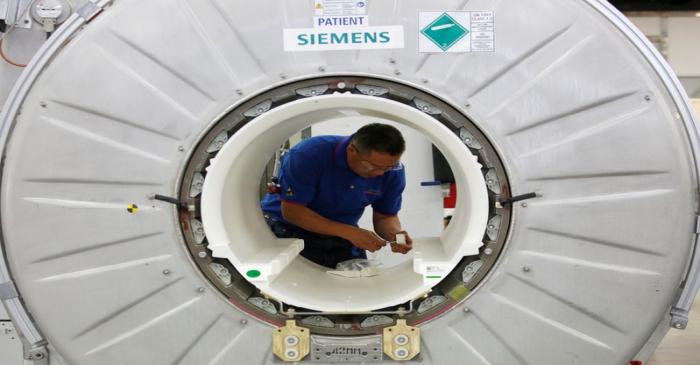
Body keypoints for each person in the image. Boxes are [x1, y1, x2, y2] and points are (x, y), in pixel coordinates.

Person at [260, 123, 413, 269]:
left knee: (355, 288)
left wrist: (394, 234)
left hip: (342, 235)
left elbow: (384, 217)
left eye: (388, 167)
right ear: (351, 150)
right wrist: (350, 232)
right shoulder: (309, 154)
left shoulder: (393, 172)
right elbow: (293, 212)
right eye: (372, 166)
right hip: (288, 230)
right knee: (288, 290)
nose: (379, 173)